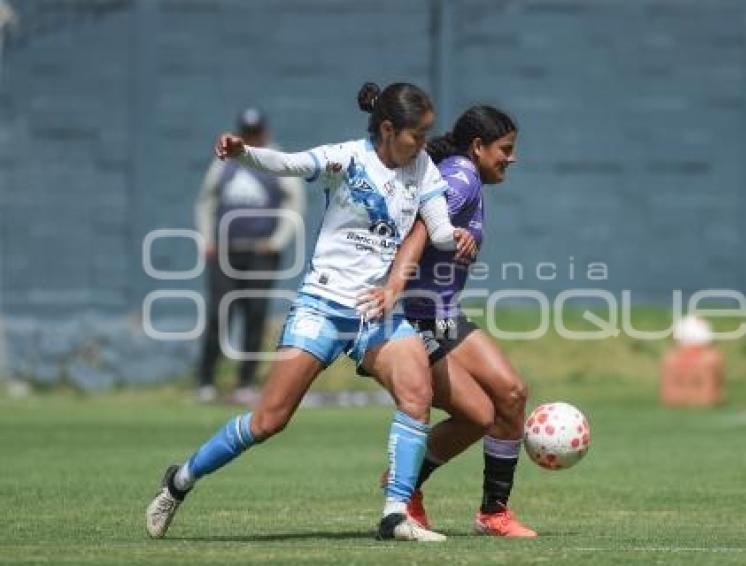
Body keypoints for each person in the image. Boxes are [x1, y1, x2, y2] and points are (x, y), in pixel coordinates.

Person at [145, 82, 477, 542]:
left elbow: (438, 229)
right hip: (321, 307)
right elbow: (288, 164)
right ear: (387, 128)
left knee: (416, 391)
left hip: (374, 311)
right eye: (416, 135)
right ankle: (180, 480)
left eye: (425, 135)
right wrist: (243, 153)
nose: (423, 144)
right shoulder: (348, 157)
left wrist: (457, 238)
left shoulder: (421, 168)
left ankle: (395, 513)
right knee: (268, 421)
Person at [359, 106, 536, 536]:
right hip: (413, 317)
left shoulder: (461, 175)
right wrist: (395, 286)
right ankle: (408, 488)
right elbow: (416, 227)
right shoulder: (461, 177)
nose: (510, 158)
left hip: (441, 314)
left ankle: (493, 514)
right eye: (504, 150)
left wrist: (460, 236)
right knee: (478, 414)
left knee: (510, 395)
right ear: (478, 148)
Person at [195, 107, 306, 405]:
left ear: (264, 133)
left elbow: (293, 203)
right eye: (247, 132)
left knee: (255, 313)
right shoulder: (226, 160)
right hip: (226, 251)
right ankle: (205, 380)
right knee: (219, 313)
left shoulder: (275, 159)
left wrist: (277, 240)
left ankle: (245, 382)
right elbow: (207, 200)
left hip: (261, 252)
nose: (251, 137)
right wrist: (207, 239)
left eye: (255, 133)